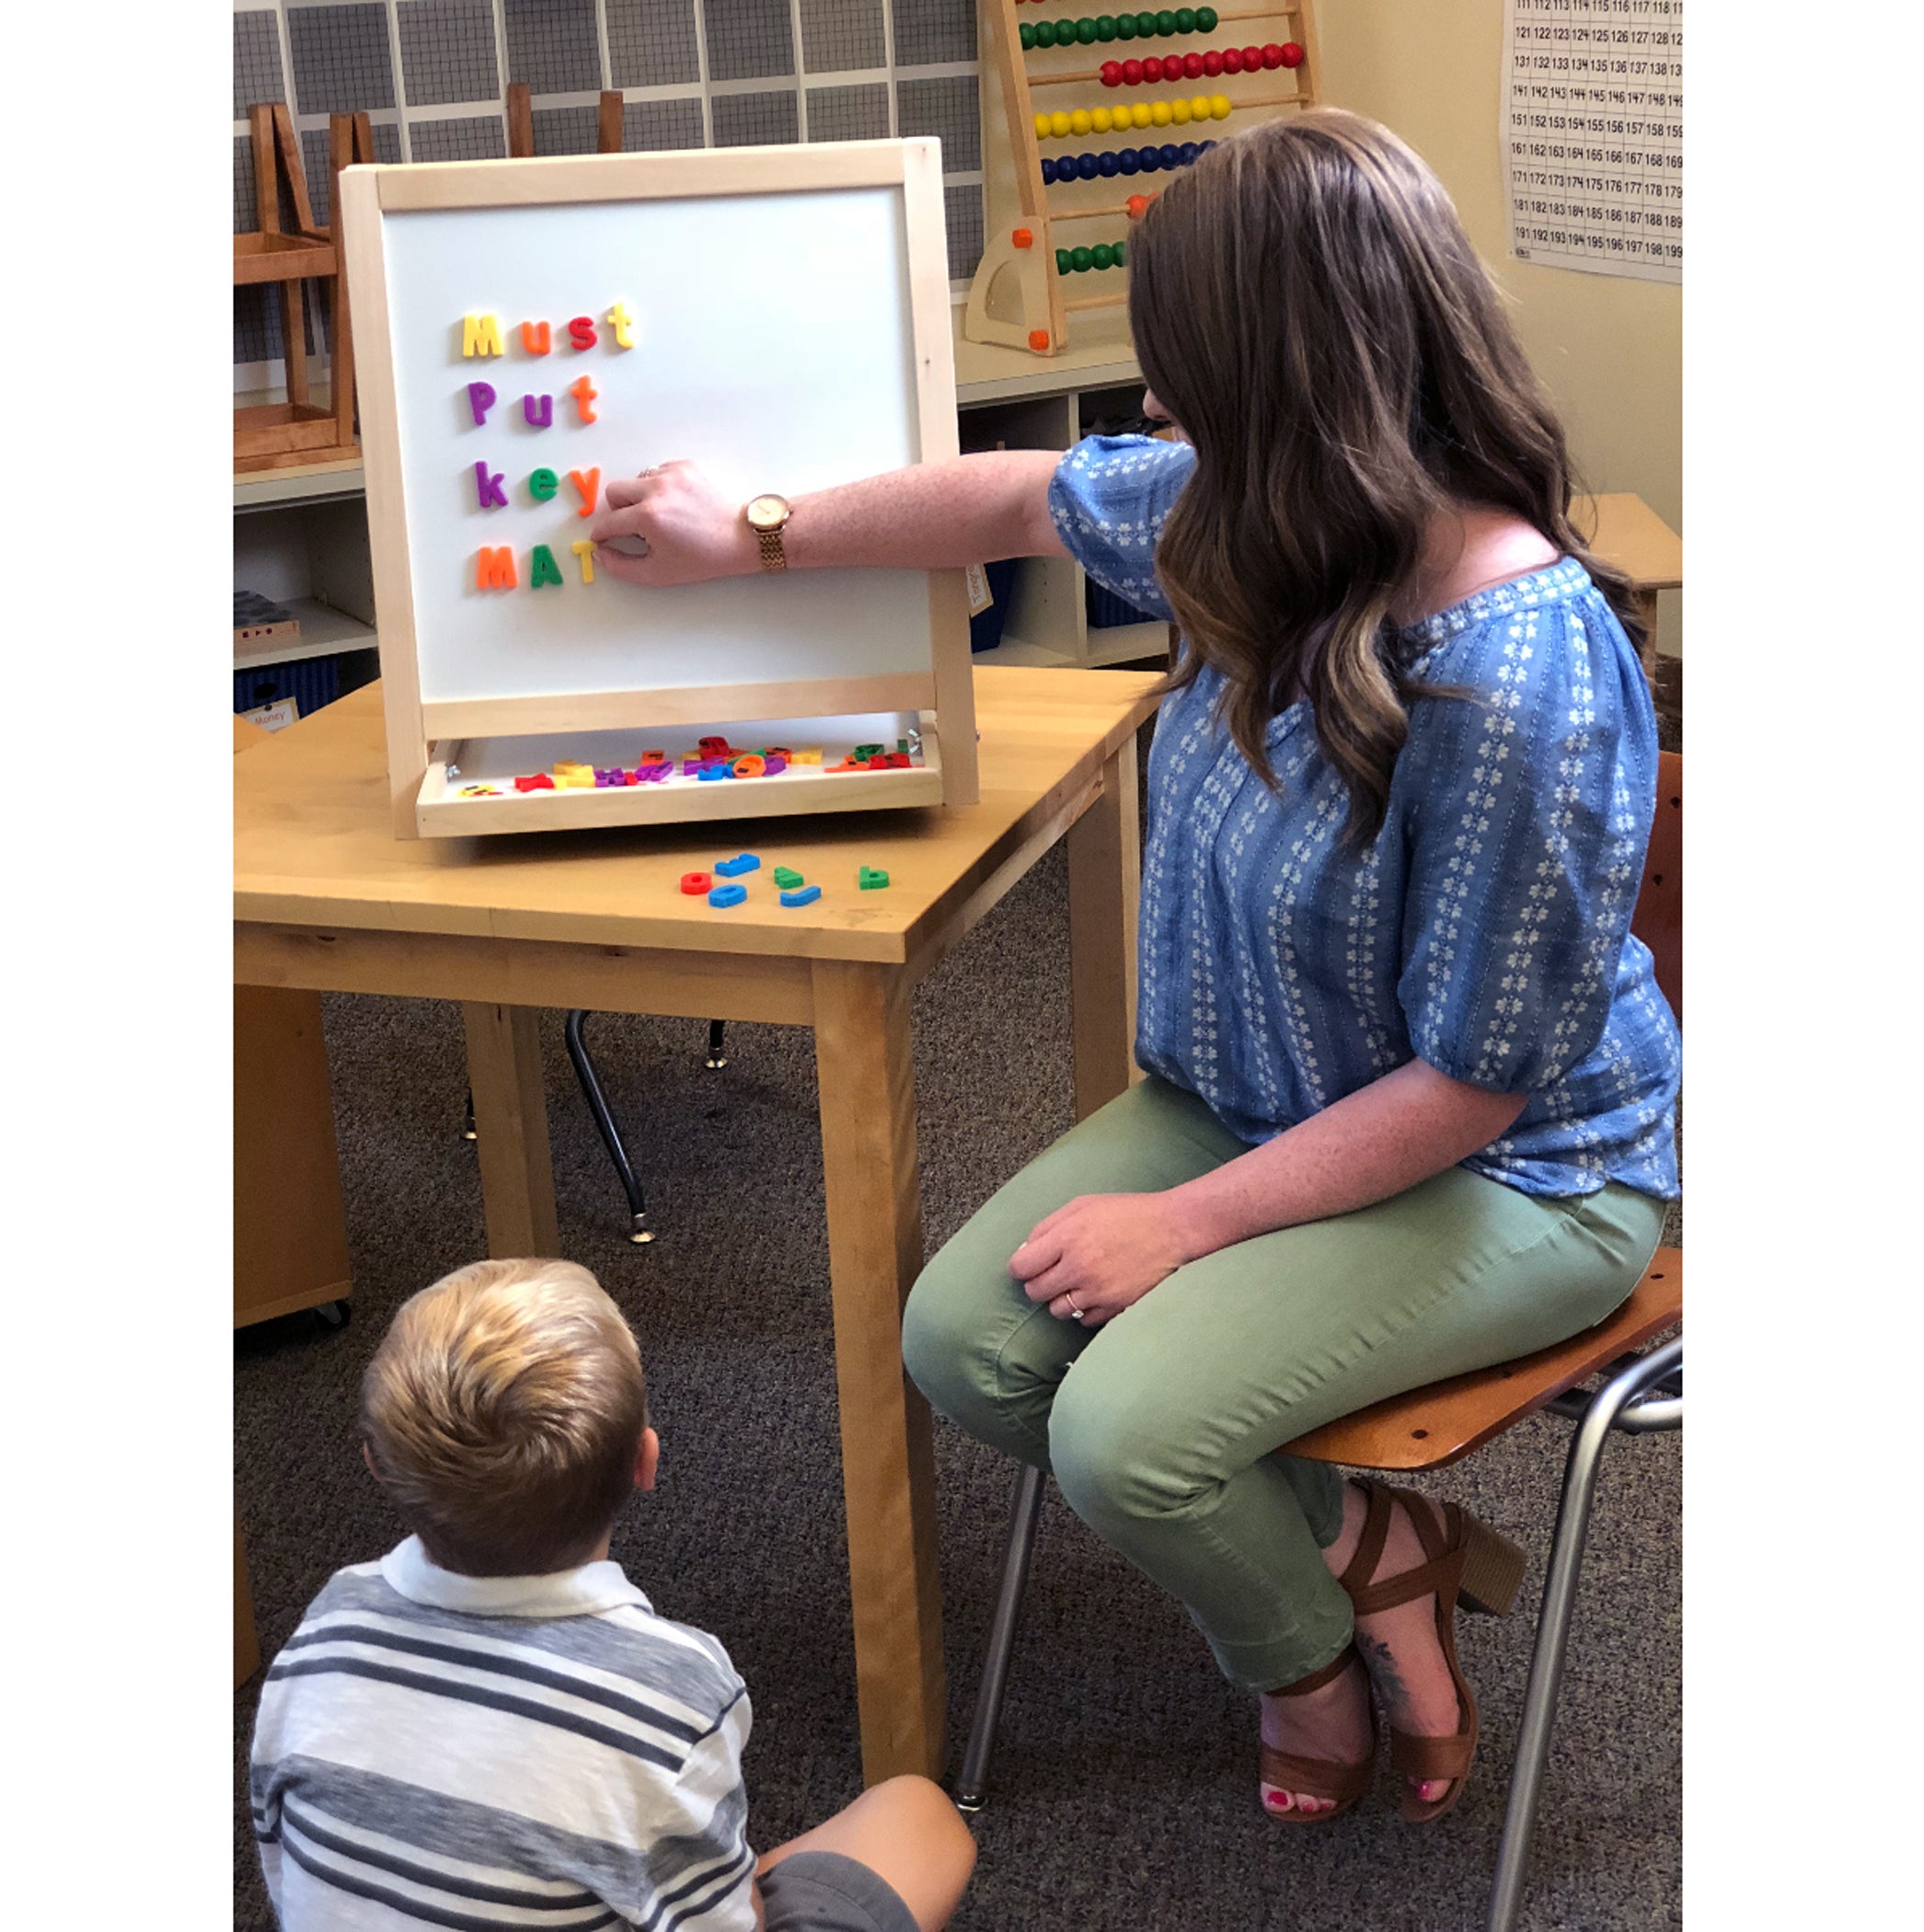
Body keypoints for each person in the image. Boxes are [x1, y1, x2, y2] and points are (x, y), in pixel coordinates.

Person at [587, 109, 1680, 1827]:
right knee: (964, 1341)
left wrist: (1183, 1227)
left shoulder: (1515, 682)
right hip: (1263, 1090)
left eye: (1182, 379)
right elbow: (1023, 493)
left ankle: (1302, 1661)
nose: (1157, 414)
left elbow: (1475, 1084)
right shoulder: (1269, 501)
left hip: (1521, 1169)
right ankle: (1369, 1554)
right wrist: (766, 527)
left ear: (1283, 383)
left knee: (1124, 1435)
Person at [249, 1259, 975, 1930]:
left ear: (375, 1463)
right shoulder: (675, 1688)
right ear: (645, 1461)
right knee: (917, 1816)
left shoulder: (328, 1626)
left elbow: (282, 1863)